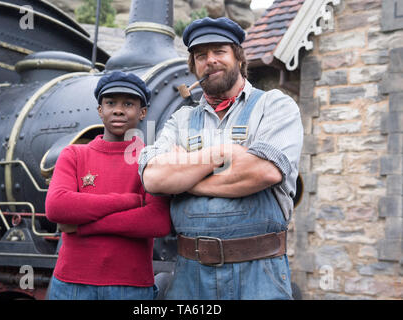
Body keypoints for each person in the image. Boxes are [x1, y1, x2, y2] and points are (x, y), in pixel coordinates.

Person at [138, 17, 304, 300]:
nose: (210, 60)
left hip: (260, 274)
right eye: (201, 55)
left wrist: (185, 179)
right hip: (190, 277)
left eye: (219, 52)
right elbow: (154, 178)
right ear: (193, 66)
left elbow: (262, 172)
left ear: (239, 58)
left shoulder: (274, 106)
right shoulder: (180, 120)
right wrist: (220, 154)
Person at [45, 71, 171, 300]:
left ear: (142, 112)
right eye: (110, 102)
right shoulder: (73, 154)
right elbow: (57, 207)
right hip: (71, 284)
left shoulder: (150, 158)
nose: (118, 109)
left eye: (128, 103)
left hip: (131, 286)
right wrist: (129, 200)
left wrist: (83, 226)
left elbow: (157, 221)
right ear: (100, 110)